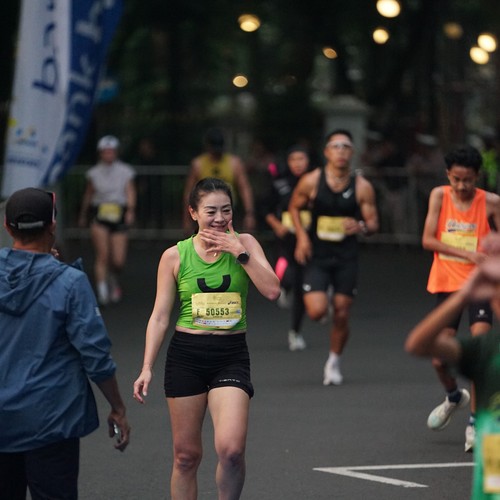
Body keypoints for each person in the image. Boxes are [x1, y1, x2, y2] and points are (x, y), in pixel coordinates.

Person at [133, 177, 280, 499]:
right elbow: (159, 316)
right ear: (193, 213)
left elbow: (272, 290)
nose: (219, 218)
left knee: (231, 450)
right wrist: (146, 366)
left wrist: (240, 253)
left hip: (230, 355)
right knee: (186, 457)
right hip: (186, 357)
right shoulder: (175, 256)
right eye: (211, 211)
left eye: (226, 210)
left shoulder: (246, 243)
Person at [0, 187, 130, 500]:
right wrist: (117, 406)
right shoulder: (69, 282)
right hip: (51, 419)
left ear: (7, 227)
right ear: (53, 225)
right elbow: (95, 355)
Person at [405, 232, 500, 500]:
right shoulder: (487, 349)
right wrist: (463, 296)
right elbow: (417, 345)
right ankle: (457, 401)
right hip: (495, 452)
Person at [421, 144, 500, 452]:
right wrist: (469, 254)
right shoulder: (439, 196)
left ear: (477, 177)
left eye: (467, 180)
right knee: (439, 358)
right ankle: (454, 396)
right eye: (456, 179)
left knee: (479, 353)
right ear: (447, 175)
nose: (462, 186)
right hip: (446, 284)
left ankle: (474, 424)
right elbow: (428, 240)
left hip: (479, 286)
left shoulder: (491, 202)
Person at [288, 129, 379, 385]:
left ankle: (334, 362)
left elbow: (373, 223)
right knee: (316, 312)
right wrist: (302, 238)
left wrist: (361, 226)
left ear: (352, 153)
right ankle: (323, 296)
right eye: (335, 146)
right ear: (326, 152)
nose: (340, 151)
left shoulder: (362, 186)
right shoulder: (311, 180)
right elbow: (294, 207)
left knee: (342, 313)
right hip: (317, 253)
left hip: (346, 256)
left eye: (345, 146)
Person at [260, 145, 311, 351]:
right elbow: (264, 207)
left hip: (309, 241)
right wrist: (276, 225)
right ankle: (283, 286)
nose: (298, 164)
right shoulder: (279, 182)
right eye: (293, 159)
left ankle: (296, 331)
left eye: (301, 159)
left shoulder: (316, 182)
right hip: (285, 239)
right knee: (284, 271)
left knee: (302, 285)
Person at [78, 135, 137, 305]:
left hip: (119, 213)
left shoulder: (125, 171)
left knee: (118, 260)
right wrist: (83, 214)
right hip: (100, 214)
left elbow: (130, 191)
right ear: (100, 153)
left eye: (111, 151)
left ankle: (112, 278)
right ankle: (102, 291)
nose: (108, 154)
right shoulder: (94, 173)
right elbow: (89, 194)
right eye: (105, 151)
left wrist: (131, 210)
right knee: (102, 255)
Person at [182, 127, 256, 235]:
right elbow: (189, 192)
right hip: (205, 211)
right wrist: (186, 218)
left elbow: (245, 188)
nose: (216, 153)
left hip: (228, 208)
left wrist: (249, 213)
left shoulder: (234, 163)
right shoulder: (198, 164)